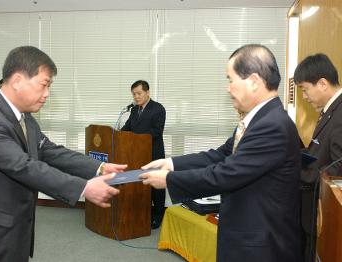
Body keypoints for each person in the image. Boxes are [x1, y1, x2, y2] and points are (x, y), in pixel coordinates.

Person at [0, 46, 127, 262]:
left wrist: (98, 167)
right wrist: (83, 188)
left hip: (14, 227)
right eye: (44, 85)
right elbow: (23, 166)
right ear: (17, 80)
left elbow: (49, 151)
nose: (47, 94)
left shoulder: (24, 117)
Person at [140, 44, 302, 262]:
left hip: (261, 244)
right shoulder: (259, 119)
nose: (228, 88)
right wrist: (171, 163)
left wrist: (169, 180)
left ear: (253, 81)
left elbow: (225, 173)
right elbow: (220, 155)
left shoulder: (272, 125)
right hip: (246, 232)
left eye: (230, 79)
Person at [294, 53, 342, 262]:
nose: (304, 96)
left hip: (324, 213)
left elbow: (337, 169)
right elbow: (320, 153)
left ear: (322, 83)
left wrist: (300, 173)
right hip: (312, 212)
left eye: (305, 89)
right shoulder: (330, 110)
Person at [121, 80, 166, 229]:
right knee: (141, 185)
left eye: (139, 93)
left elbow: (156, 132)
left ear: (147, 92)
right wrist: (116, 135)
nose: (136, 97)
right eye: (134, 94)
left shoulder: (158, 109)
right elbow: (127, 128)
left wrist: (137, 138)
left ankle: (158, 216)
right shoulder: (134, 110)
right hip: (137, 154)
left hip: (153, 153)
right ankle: (144, 214)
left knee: (156, 187)